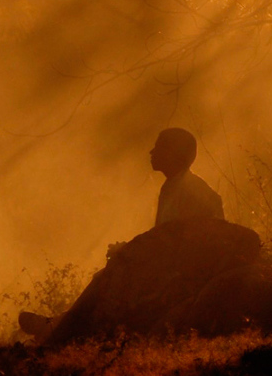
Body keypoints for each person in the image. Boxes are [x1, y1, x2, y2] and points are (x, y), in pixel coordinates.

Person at [19, 127, 231, 340]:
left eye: (159, 146)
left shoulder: (192, 192)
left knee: (108, 276)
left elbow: (183, 246)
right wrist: (130, 250)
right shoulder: (175, 187)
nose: (151, 152)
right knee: (110, 272)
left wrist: (133, 253)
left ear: (174, 153)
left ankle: (59, 327)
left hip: (181, 276)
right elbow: (163, 239)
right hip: (170, 269)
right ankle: (60, 325)